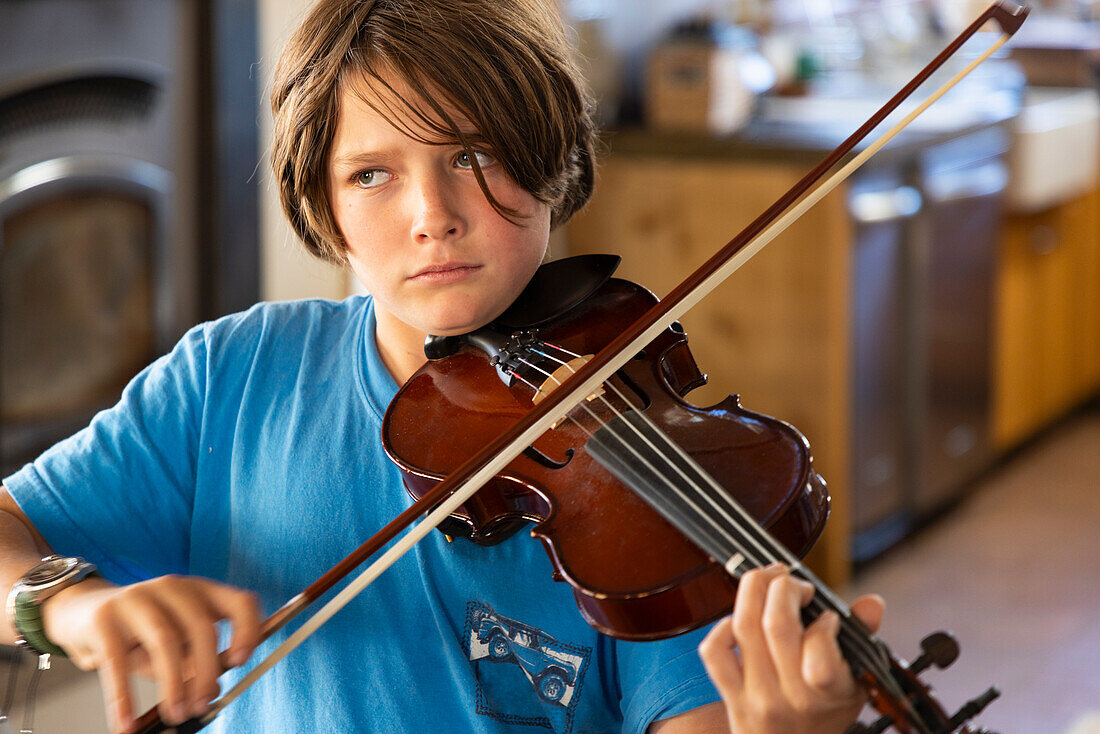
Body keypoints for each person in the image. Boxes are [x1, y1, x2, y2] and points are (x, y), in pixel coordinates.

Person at [0, 1, 884, 732]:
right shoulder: (230, 378)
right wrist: (68, 604)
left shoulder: (641, 476)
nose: (434, 215)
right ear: (324, 205)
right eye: (373, 176)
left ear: (553, 161)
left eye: (473, 155)